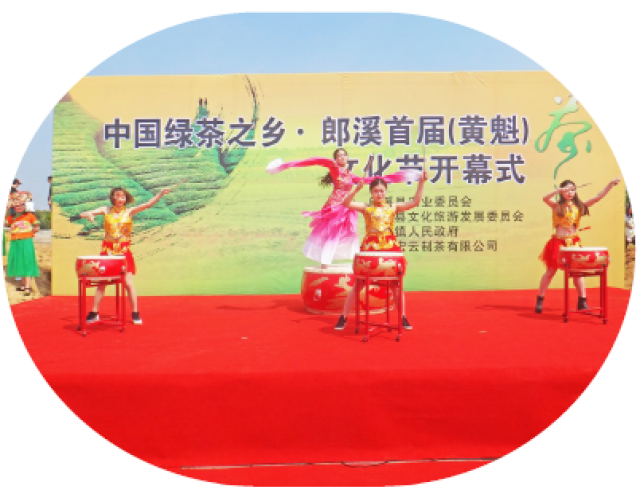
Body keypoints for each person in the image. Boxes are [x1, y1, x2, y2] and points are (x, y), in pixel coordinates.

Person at [266, 148, 419, 267]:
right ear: (335, 159)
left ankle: (352, 262)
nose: (342, 157)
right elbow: (315, 160)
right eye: (339, 156)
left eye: (344, 155)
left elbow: (373, 180)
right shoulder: (334, 168)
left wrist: (406, 176)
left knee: (349, 233)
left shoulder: (350, 175)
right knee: (332, 233)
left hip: (348, 208)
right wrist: (287, 165)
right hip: (335, 206)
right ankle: (325, 262)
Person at [334, 169, 428, 331]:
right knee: (359, 284)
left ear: (386, 192)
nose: (379, 194)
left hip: (390, 249)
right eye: (376, 191)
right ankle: (343, 316)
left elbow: (415, 202)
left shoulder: (393, 207)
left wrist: (421, 183)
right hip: (370, 249)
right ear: (371, 193)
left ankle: (403, 317)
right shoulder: (366, 208)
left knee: (396, 285)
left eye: (382, 191)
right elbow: (346, 203)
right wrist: (356, 189)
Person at [78, 186, 171, 324]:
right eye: (118, 195)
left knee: (128, 283)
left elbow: (148, 204)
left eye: (123, 196)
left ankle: (135, 312)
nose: (120, 198)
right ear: (113, 197)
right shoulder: (105, 210)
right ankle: (94, 312)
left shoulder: (129, 212)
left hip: (123, 251)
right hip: (108, 251)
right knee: (102, 283)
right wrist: (89, 215)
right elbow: (84, 213)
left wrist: (160, 194)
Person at [535, 177, 621, 314]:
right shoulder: (556, 206)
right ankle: (540, 299)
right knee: (550, 271)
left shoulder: (579, 206)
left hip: (573, 243)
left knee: (577, 273)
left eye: (572, 190)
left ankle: (582, 301)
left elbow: (597, 197)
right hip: (558, 243)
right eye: (567, 190)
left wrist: (610, 185)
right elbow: (545, 198)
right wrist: (557, 190)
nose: (570, 193)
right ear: (562, 192)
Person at [5, 193, 40, 294]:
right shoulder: (11, 218)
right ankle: (23, 286)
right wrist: (6, 208)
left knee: (27, 262)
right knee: (19, 263)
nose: (19, 207)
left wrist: (32, 231)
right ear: (14, 207)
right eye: (17, 206)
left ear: (25, 206)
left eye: (21, 205)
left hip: (26, 242)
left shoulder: (30, 216)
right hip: (15, 243)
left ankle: (27, 287)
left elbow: (37, 227)